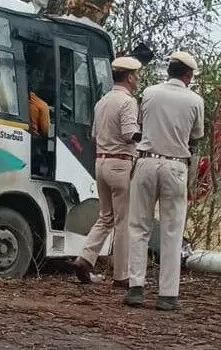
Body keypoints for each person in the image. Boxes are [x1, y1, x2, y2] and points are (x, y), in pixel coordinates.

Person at [123, 51, 204, 311]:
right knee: (172, 230)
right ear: (188, 75)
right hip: (176, 165)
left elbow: (140, 124)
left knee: (138, 226)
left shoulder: (149, 93)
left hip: (146, 161)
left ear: (169, 71)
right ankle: (167, 295)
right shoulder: (195, 100)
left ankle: (136, 288)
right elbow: (196, 135)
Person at [73, 56, 143, 288]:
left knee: (105, 217)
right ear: (130, 77)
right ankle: (121, 275)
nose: (137, 79)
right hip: (120, 163)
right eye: (136, 76)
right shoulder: (127, 102)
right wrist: (147, 135)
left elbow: (94, 135)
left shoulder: (101, 102)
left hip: (101, 162)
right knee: (123, 221)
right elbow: (129, 134)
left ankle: (85, 258)